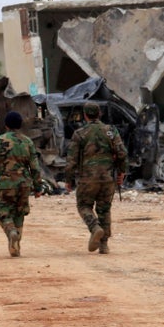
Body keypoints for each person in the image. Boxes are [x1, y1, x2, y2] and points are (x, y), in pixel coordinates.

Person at [65, 102, 128, 254]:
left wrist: (69, 180)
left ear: (85, 115)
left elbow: (71, 160)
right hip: (107, 178)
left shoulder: (80, 134)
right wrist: (122, 172)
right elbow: (122, 153)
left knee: (84, 206)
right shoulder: (111, 131)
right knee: (104, 209)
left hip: (87, 179)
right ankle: (104, 244)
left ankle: (95, 228)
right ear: (99, 113)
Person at [0, 111, 43, 257]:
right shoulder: (28, 142)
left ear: (6, 125)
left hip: (6, 184)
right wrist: (38, 187)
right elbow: (35, 167)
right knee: (19, 214)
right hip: (24, 184)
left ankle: (11, 232)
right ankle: (16, 246)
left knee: (4, 213)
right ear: (20, 125)